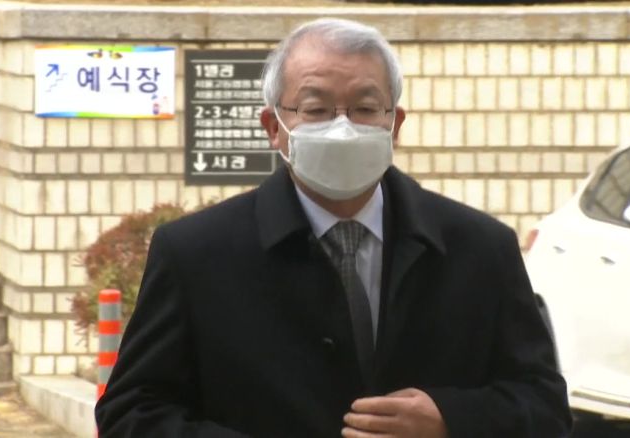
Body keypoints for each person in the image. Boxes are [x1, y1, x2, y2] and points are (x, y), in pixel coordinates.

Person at [96, 18, 572, 437]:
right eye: (316, 109)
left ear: (395, 124)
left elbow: (545, 404)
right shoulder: (196, 254)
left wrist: (451, 419)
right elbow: (130, 413)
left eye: (365, 108)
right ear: (274, 127)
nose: (343, 128)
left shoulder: (480, 248)